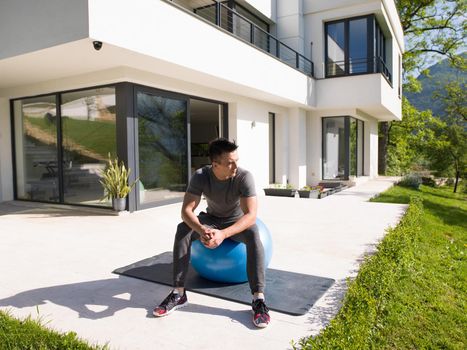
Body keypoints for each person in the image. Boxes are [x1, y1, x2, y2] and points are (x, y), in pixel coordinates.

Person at [153, 138, 270, 328]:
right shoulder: (200, 176)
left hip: (235, 221)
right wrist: (202, 229)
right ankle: (178, 293)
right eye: (230, 163)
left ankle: (258, 299)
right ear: (215, 164)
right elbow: (186, 211)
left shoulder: (244, 176)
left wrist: (223, 234)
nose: (235, 166)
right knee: (183, 228)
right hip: (211, 219)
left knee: (254, 233)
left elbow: (251, 215)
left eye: (236, 161)